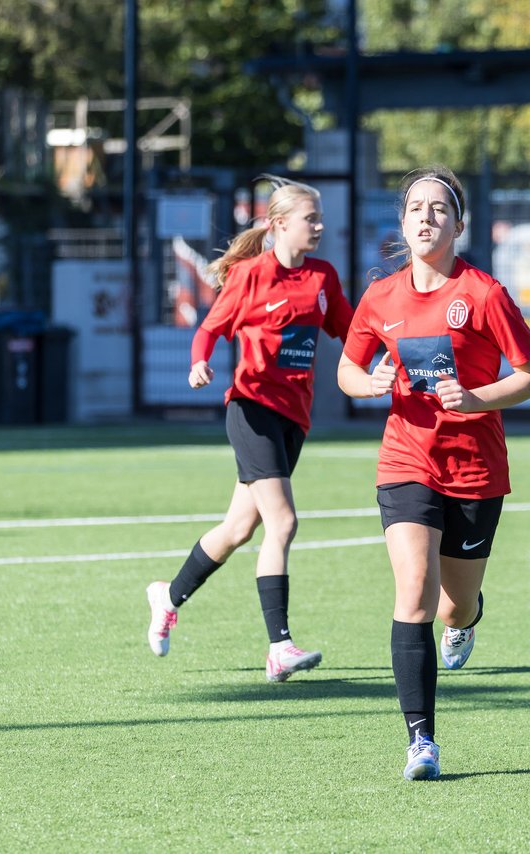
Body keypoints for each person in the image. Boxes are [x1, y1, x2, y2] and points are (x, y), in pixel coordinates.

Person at [337, 166, 530, 780]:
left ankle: (469, 616)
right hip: (407, 459)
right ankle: (421, 741)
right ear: (402, 224)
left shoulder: (483, 293)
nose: (426, 217)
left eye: (439, 208)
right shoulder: (380, 296)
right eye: (415, 208)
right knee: (414, 593)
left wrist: (479, 398)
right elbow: (348, 371)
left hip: (477, 470)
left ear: (459, 224)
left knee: (454, 608)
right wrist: (369, 382)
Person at [145, 175, 353, 683]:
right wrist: (199, 362)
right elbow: (210, 328)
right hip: (252, 408)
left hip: (293, 418)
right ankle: (279, 646)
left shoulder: (323, 278)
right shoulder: (251, 278)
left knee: (240, 529)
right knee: (282, 524)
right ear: (279, 224)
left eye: (320, 219)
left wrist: (394, 358)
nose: (319, 227)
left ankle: (167, 596)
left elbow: (351, 331)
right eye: (311, 219)